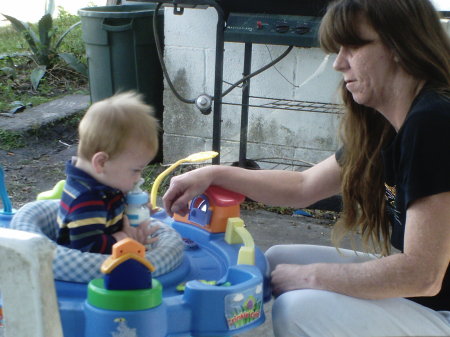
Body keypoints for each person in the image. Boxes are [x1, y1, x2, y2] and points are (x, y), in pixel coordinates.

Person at [162, 0, 450, 335]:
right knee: (279, 257)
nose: (339, 64)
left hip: (440, 306)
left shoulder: (433, 123)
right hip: (432, 295)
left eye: (353, 46)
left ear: (401, 45)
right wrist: (214, 173)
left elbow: (422, 274)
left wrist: (310, 276)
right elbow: (303, 186)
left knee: (297, 306)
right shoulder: (387, 123)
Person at [57, 91, 160, 254]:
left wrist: (136, 206)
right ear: (101, 162)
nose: (138, 178)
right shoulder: (86, 200)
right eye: (135, 170)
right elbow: (87, 248)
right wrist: (124, 239)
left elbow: (113, 202)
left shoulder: (103, 183)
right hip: (88, 272)